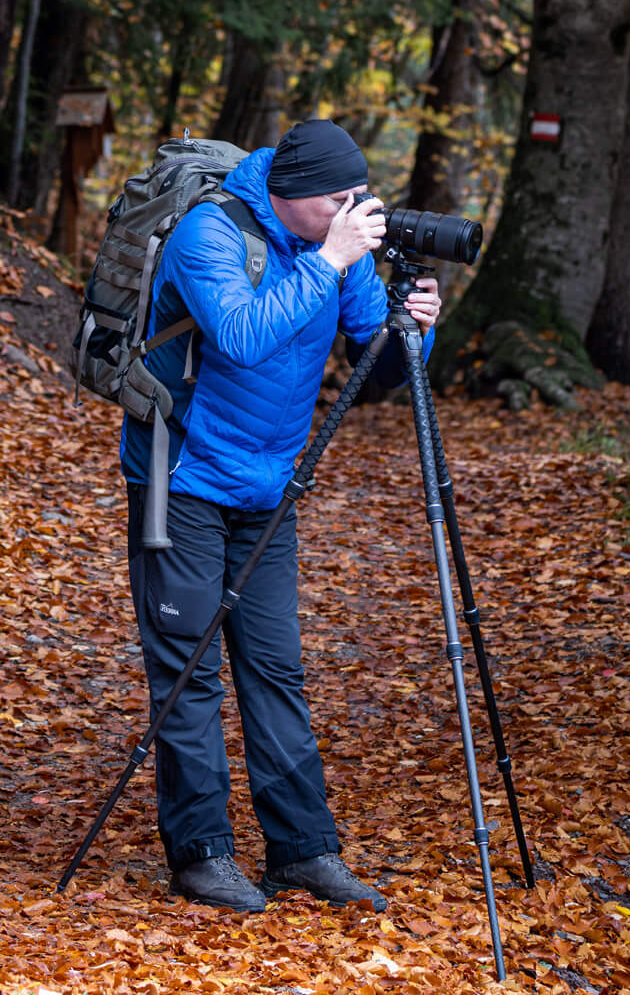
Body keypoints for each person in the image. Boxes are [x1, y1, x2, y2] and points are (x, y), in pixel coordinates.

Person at [121, 117, 442, 914]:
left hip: (268, 490)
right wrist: (332, 259)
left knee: (275, 669)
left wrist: (416, 332)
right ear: (289, 195)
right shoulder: (210, 234)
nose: (353, 209)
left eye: (358, 196)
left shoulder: (334, 246)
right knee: (190, 672)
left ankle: (303, 851)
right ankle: (200, 855)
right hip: (182, 479)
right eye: (339, 198)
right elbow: (241, 338)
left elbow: (377, 360)